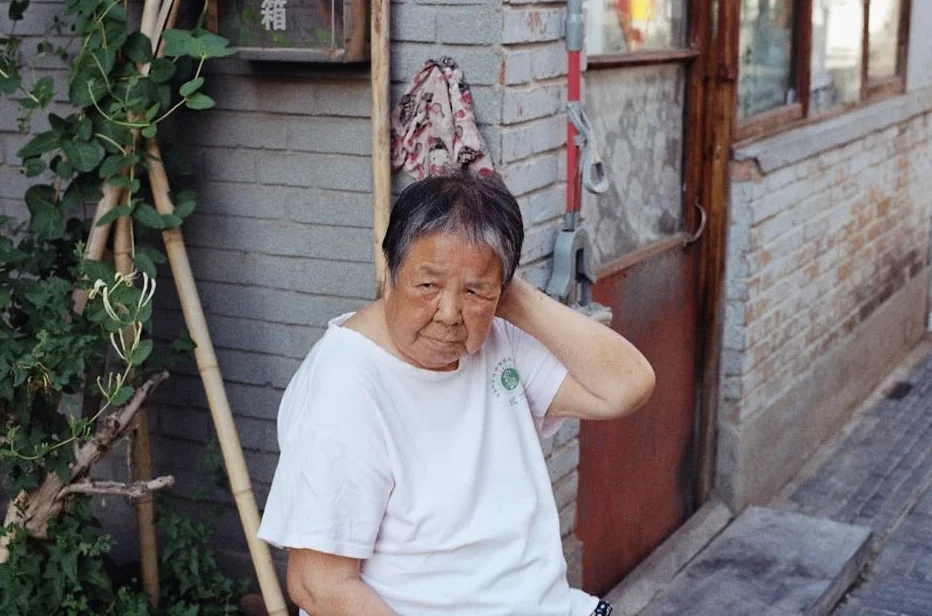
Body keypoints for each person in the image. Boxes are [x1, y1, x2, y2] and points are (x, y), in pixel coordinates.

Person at [257, 171, 656, 616]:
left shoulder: (497, 337)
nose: (449, 314)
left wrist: (504, 294)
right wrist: (476, 283)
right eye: (427, 285)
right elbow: (318, 586)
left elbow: (627, 388)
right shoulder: (344, 383)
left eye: (474, 291)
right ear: (391, 270)